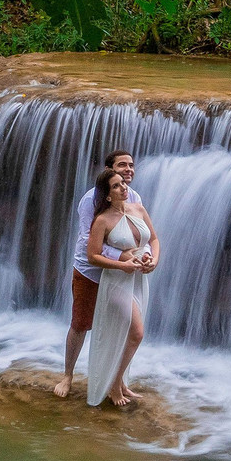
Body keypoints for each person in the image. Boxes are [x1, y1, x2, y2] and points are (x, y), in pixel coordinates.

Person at [53, 150, 156, 398]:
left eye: (132, 165)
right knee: (80, 324)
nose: (129, 170)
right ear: (109, 170)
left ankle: (116, 380)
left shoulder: (134, 199)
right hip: (92, 272)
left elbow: (142, 236)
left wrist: (146, 255)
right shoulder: (90, 200)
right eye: (122, 165)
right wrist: (123, 257)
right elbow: (89, 241)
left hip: (121, 276)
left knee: (126, 326)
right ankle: (68, 375)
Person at [85, 168, 160, 406]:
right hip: (116, 281)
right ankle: (114, 385)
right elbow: (92, 256)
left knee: (128, 333)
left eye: (123, 184)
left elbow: (154, 240)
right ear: (107, 195)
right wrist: (121, 265)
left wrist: (153, 260)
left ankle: (120, 382)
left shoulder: (138, 209)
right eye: (116, 186)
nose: (123, 188)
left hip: (138, 280)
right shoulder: (103, 220)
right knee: (137, 333)